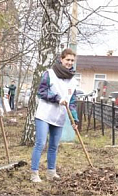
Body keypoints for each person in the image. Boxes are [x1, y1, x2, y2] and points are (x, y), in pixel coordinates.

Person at [30, 48, 79, 183]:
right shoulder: (49, 74)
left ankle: (51, 172)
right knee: (41, 143)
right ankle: (34, 173)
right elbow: (41, 92)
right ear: (61, 59)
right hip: (45, 114)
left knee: (54, 146)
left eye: (72, 60)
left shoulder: (73, 80)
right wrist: (57, 98)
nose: (69, 62)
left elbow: (73, 102)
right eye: (67, 59)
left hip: (60, 116)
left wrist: (74, 119)